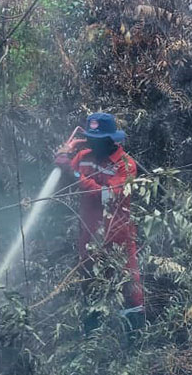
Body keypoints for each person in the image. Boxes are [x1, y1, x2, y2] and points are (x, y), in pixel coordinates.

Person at [54, 112, 145, 336]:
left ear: (110, 139)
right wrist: (65, 154)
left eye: (98, 139)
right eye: (90, 139)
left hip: (119, 236)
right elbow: (64, 177)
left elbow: (108, 196)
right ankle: (92, 341)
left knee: (129, 287)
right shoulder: (84, 156)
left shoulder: (126, 165)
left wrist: (75, 175)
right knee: (89, 283)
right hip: (88, 234)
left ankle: (135, 342)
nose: (93, 144)